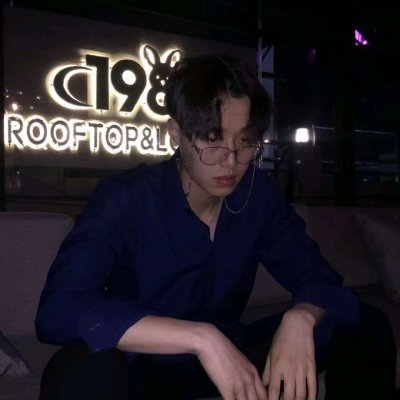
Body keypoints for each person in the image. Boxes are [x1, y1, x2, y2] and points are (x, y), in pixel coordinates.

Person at [35, 54, 396, 400]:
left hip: (232, 354)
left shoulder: (256, 196)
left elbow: (321, 280)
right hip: (144, 362)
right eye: (213, 139)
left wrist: (301, 317)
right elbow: (58, 309)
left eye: (245, 140)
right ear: (176, 134)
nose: (232, 160)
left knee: (365, 325)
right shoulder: (127, 197)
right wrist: (201, 338)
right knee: (78, 370)